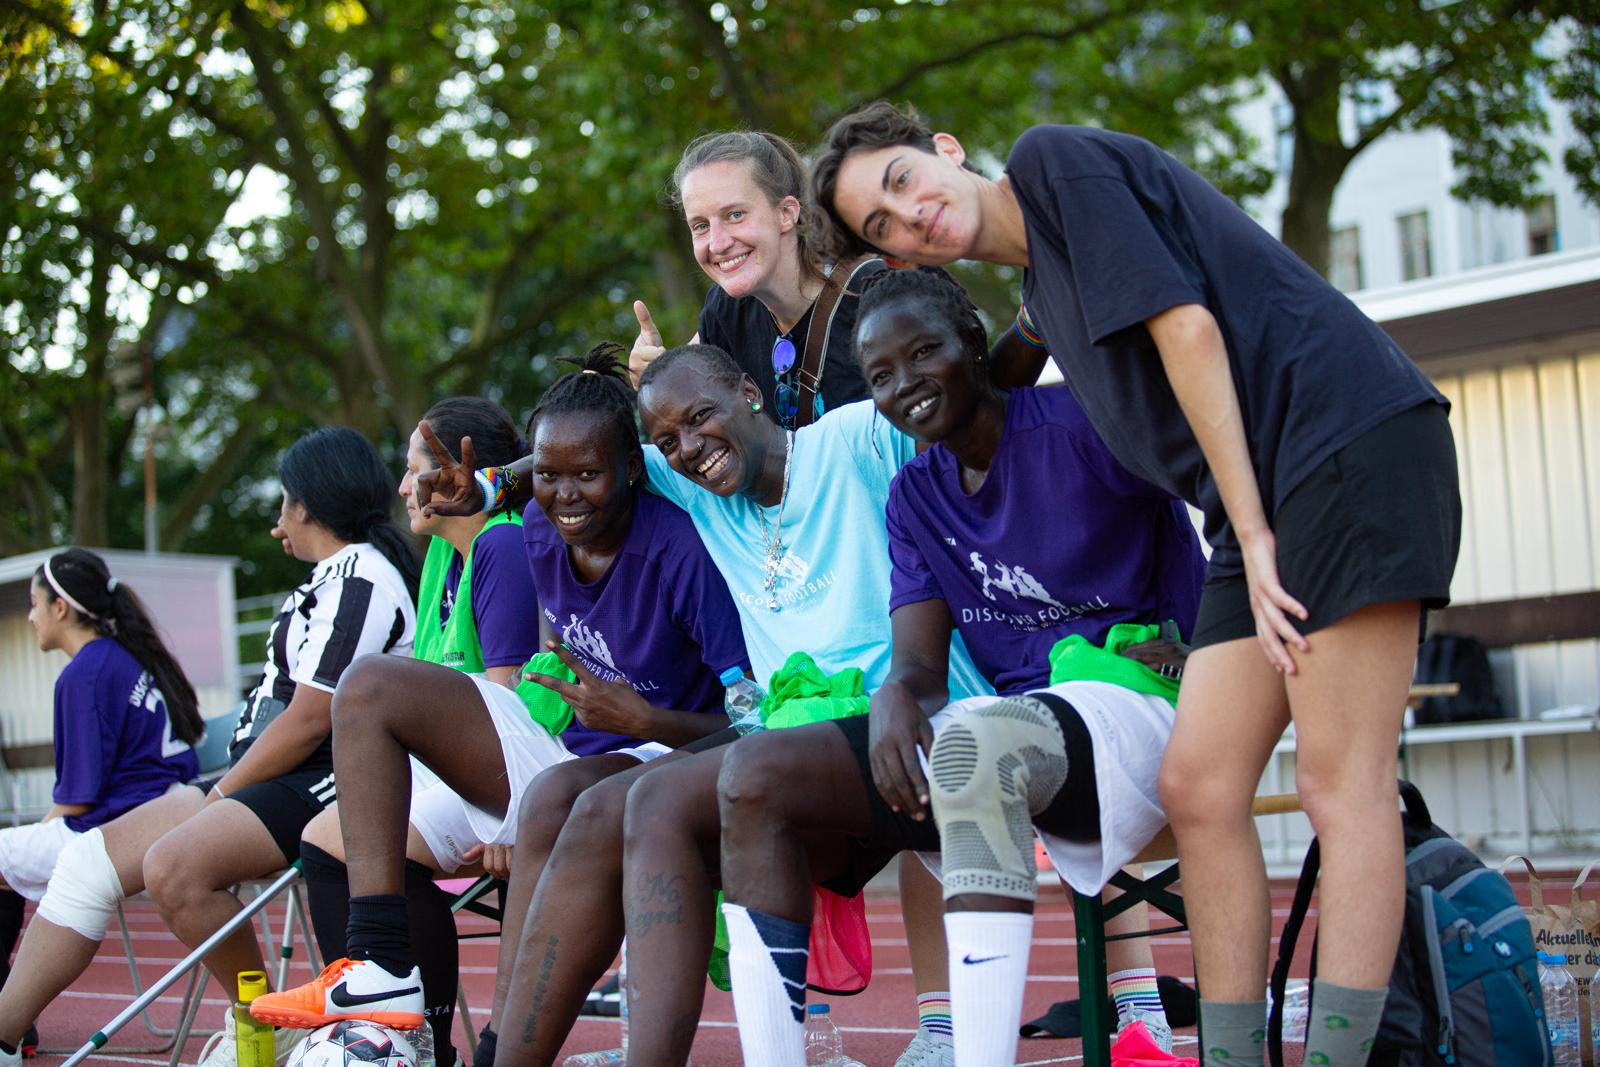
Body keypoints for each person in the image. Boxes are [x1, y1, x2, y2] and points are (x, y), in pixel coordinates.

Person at [811, 102, 1461, 1067]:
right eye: (882, 227)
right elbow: (988, 376)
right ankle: (1235, 1056)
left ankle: (1336, 1057)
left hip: (1341, 445)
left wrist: (1248, 526)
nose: (909, 216)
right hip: (1257, 500)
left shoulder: (1049, 158)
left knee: (1340, 778)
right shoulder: (1045, 288)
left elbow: (1188, 330)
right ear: (898, 261)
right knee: (1198, 785)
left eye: (903, 181)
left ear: (946, 148)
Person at [713, 267, 1206, 1064]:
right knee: (764, 772)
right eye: (880, 375)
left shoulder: (1084, 425)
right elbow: (917, 664)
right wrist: (894, 699)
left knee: (977, 745)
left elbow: (1224, 491)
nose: (904, 384)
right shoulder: (913, 495)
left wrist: (1209, 640)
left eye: (923, 354)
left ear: (974, 344)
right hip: (1042, 728)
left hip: (1153, 701)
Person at [249, 348, 749, 1054]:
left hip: (662, 749)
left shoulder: (676, 554)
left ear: (632, 469)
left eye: (587, 475)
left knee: (559, 799)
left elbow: (750, 720)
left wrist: (646, 719)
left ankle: (499, 1046)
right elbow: (512, 482)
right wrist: (490, 487)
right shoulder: (538, 523)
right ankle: (382, 963)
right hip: (567, 744)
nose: (567, 494)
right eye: (550, 476)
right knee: (367, 689)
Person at [0, 427, 420, 1067]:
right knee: (86, 862)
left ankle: (259, 1020)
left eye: (283, 504)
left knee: (175, 867)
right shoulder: (336, 575)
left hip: (328, 777)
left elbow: (311, 718)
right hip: (270, 773)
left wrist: (223, 790)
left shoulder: (361, 572)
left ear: (308, 504)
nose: (278, 525)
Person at [291, 397, 539, 1064]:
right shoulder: (438, 559)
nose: (403, 486)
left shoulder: (503, 543)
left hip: (512, 766)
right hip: (458, 763)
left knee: (367, 821)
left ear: (464, 472)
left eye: (413, 469)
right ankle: (405, 1028)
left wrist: (504, 820)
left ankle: (431, 1036)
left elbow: (511, 697)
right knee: (327, 839)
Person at [629, 129, 1046, 424]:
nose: (717, 243)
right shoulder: (724, 311)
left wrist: (1039, 317)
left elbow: (981, 400)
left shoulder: (888, 289)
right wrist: (655, 375)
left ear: (786, 213)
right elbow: (690, 411)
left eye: (735, 215)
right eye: (699, 225)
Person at [0, 550, 204, 1059]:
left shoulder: (85, 672)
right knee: (8, 854)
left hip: (116, 833)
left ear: (61, 609)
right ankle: (13, 1016)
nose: (30, 617)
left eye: (34, 604)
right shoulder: (127, 655)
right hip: (170, 815)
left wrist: (25, 844)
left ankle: (10, 1017)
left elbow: (77, 801)